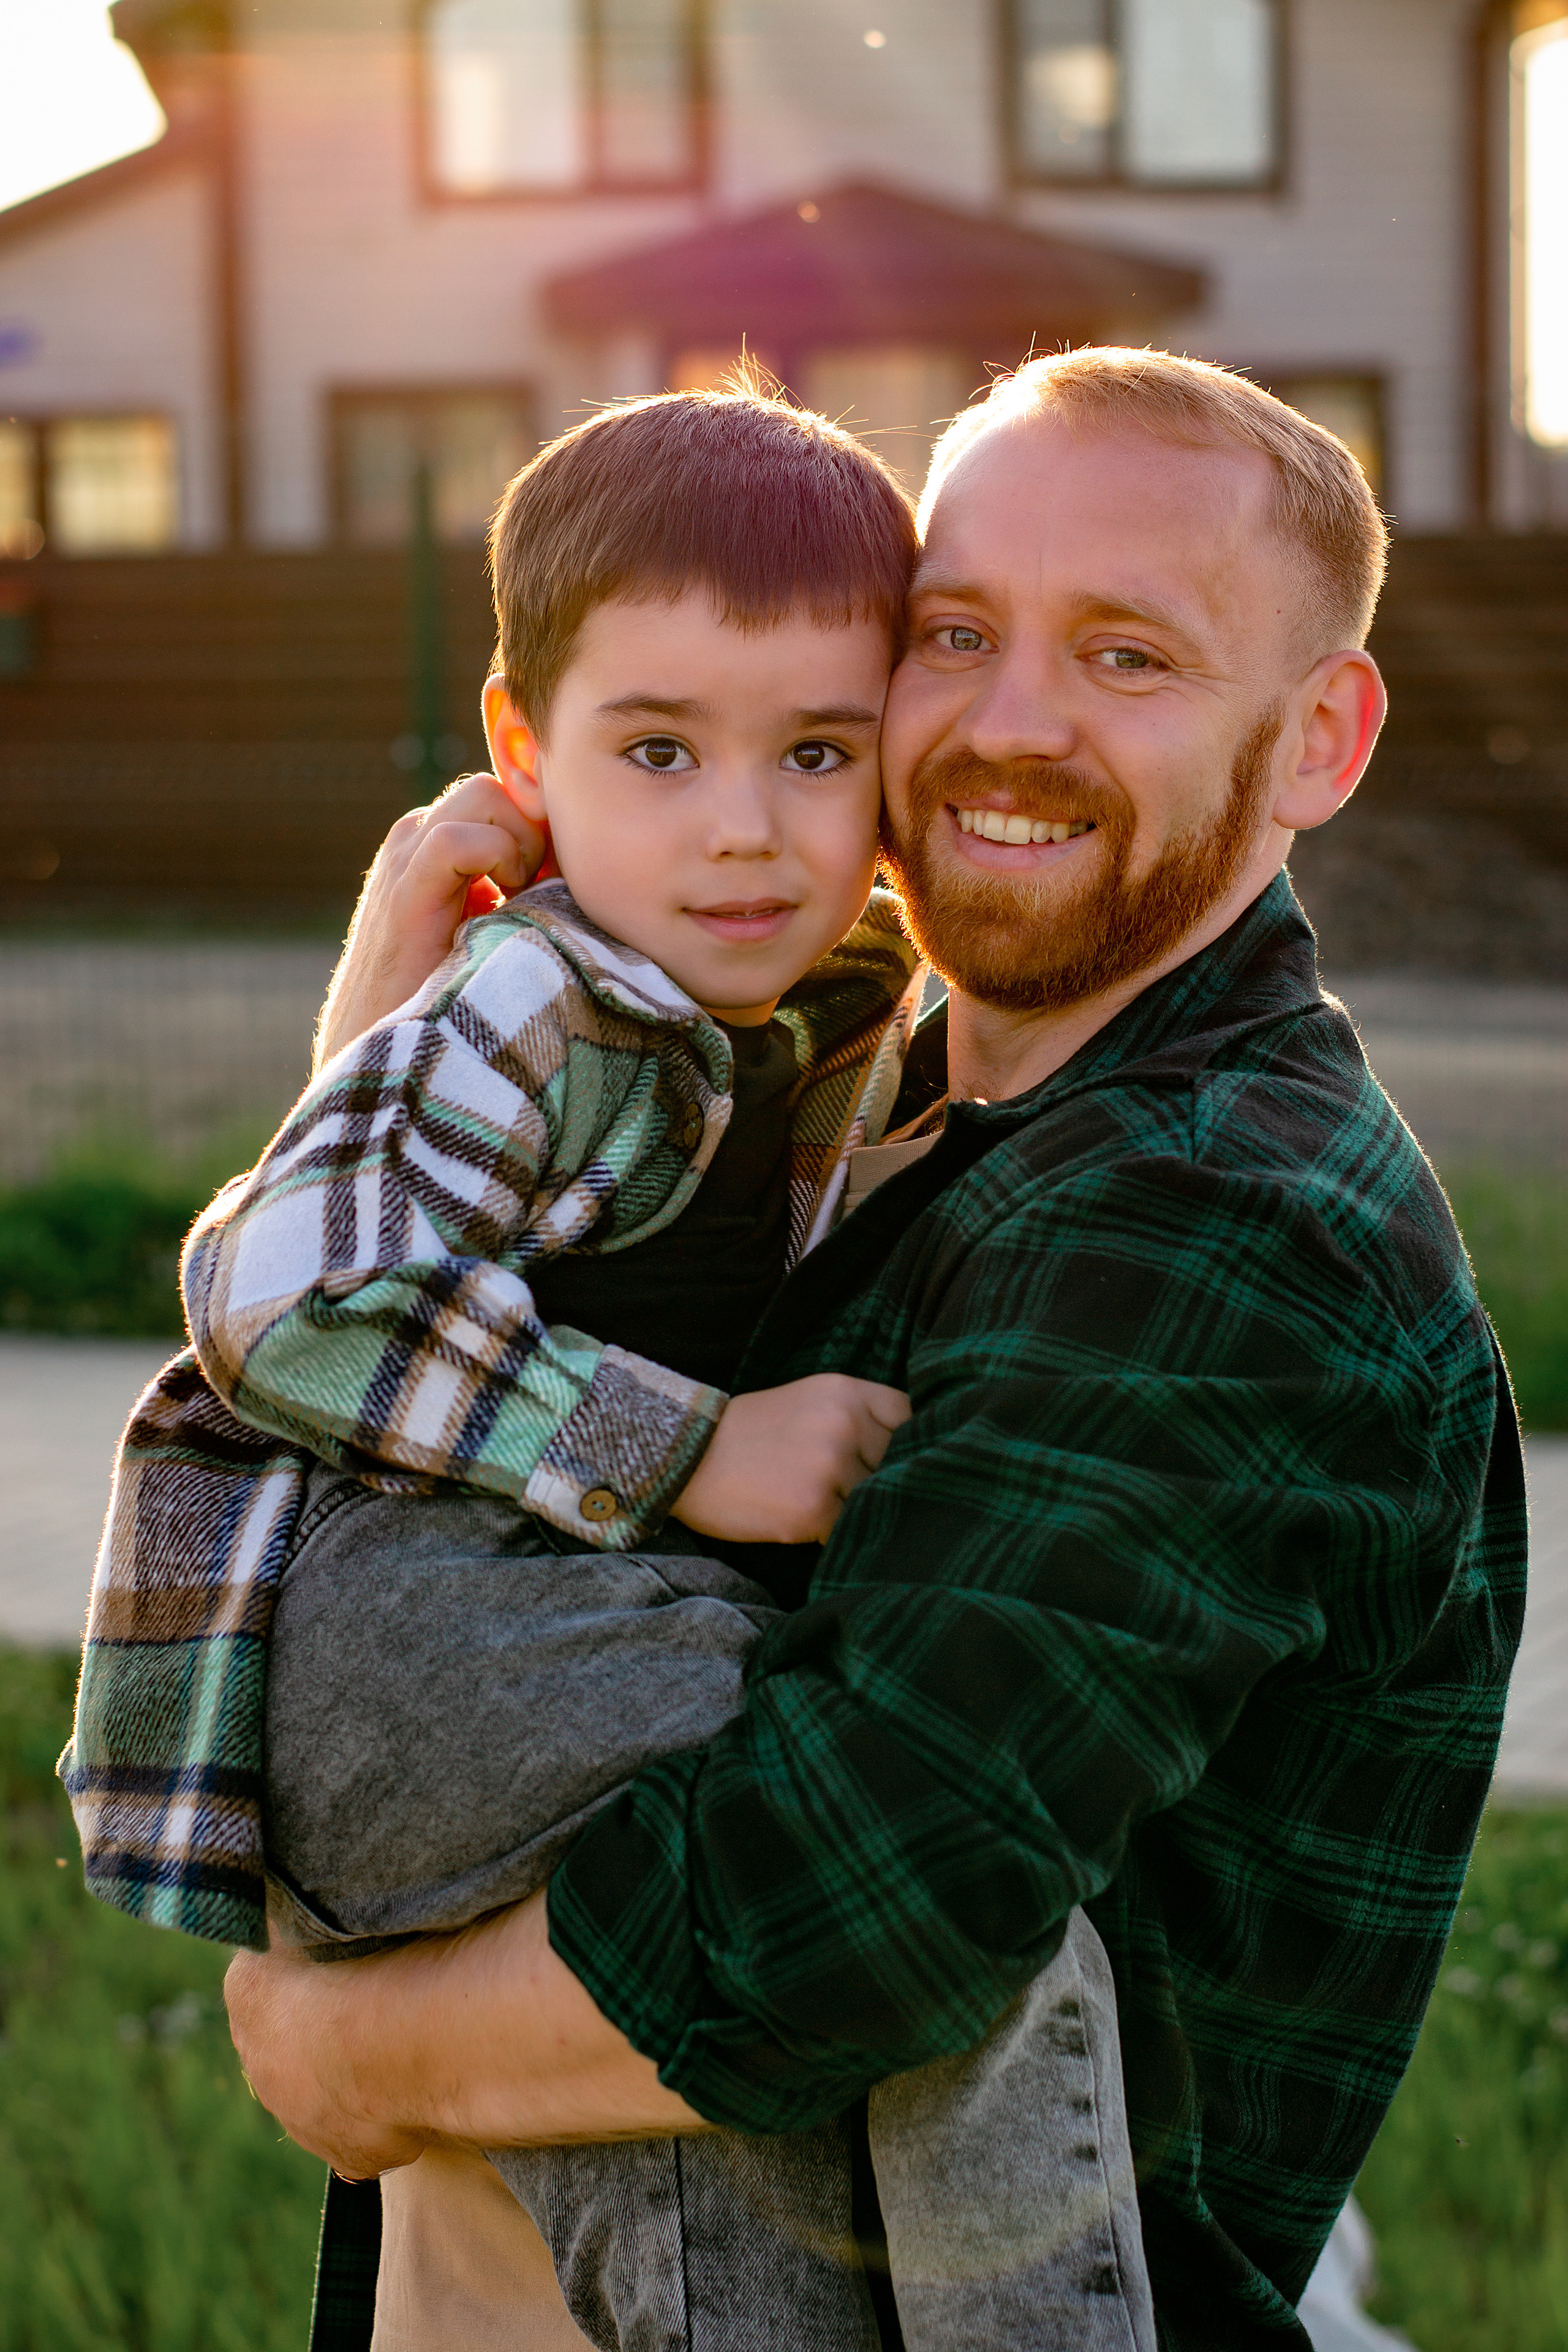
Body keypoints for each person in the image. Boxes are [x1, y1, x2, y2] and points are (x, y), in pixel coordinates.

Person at [220, 347, 1528, 2352]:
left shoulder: (1220, 1219)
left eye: (1129, 657)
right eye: (957, 633)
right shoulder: (870, 1073)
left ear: (1321, 739)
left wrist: (347, 2051)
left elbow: (846, 1920)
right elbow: (376, 1364)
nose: (1010, 726)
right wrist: (394, 1062)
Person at [62, 386, 1154, 2350]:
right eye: (657, 749)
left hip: (528, 1639)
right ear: (523, 752)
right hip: (423, 1638)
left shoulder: (808, 1004)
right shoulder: (548, 995)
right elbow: (275, 1287)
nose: (745, 825)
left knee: (717, 2151)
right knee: (923, 1885)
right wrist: (691, 1448)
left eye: (816, 752)